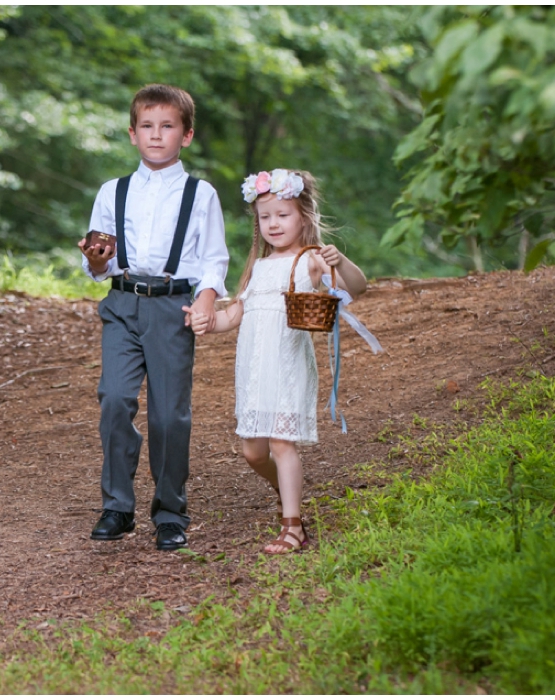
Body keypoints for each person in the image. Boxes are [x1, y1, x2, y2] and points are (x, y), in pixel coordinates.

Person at [78, 84, 229, 551]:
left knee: (169, 414)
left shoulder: (199, 194)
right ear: (132, 133)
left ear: (186, 135)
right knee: (115, 398)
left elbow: (214, 258)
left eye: (167, 127)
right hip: (122, 303)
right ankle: (117, 507)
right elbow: (96, 262)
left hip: (172, 306)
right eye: (147, 126)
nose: (156, 135)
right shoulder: (113, 191)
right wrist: (99, 259)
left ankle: (169, 510)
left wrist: (206, 298)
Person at [188, 168, 368, 554]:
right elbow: (234, 315)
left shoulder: (311, 260)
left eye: (282, 215)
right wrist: (206, 322)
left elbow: (357, 286)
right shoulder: (258, 267)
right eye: (265, 217)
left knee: (282, 443)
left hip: (287, 367)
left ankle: (293, 527)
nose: (273, 224)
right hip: (254, 372)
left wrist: (342, 260)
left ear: (303, 215)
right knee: (253, 452)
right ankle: (286, 490)